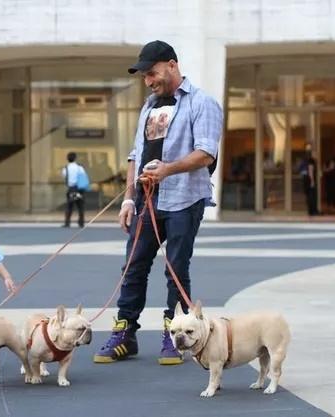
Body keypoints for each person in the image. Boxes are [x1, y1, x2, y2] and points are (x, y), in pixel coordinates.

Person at [93, 40, 222, 365]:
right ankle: (125, 333)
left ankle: (175, 332)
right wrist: (127, 200)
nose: (149, 81)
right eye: (145, 76)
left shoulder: (202, 103)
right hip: (147, 201)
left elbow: (206, 153)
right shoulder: (149, 106)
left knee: (176, 268)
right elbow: (136, 155)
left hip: (184, 199)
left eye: (152, 73)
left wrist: (168, 170)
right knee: (133, 266)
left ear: (172, 65)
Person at [61, 152, 87, 228]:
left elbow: (64, 176)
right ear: (75, 158)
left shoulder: (66, 168)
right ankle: (81, 222)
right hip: (79, 189)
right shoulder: (79, 167)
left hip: (71, 189)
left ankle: (67, 222)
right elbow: (83, 175)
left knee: (69, 206)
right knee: (80, 206)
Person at [300, 146, 318, 216]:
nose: (316, 155)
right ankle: (313, 211)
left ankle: (311, 211)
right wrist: (312, 181)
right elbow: (310, 170)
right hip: (309, 180)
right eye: (315, 154)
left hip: (306, 180)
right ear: (312, 154)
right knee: (312, 196)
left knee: (309, 196)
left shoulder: (307, 160)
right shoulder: (311, 160)